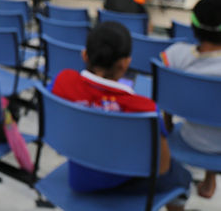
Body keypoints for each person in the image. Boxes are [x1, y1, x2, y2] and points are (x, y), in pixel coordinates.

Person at [51, 22, 191, 210]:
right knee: (180, 175)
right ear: (125, 63)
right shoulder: (144, 109)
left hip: (79, 177)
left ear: (84, 55)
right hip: (120, 183)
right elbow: (162, 168)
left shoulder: (62, 81)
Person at [161, 0, 221, 199]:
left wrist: (167, 126)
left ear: (193, 25)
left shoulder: (174, 54)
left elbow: (165, 98)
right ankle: (210, 176)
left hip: (190, 138)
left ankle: (202, 180)